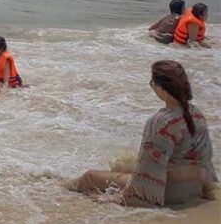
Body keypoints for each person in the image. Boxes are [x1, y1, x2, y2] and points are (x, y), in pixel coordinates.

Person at [68, 61, 216, 207]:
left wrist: (119, 198)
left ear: (162, 89)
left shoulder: (162, 121)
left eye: (152, 82)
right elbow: (204, 159)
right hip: (193, 188)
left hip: (168, 193)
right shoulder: (196, 113)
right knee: (124, 166)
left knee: (90, 177)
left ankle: (57, 188)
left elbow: (147, 172)